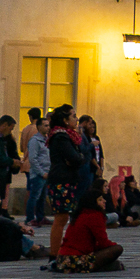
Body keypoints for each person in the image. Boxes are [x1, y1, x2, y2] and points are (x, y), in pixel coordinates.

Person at [52, 188, 125, 273]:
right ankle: (96, 267)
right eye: (100, 200)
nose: (104, 201)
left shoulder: (81, 214)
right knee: (117, 249)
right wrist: (113, 245)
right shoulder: (94, 215)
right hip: (75, 259)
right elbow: (103, 242)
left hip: (62, 259)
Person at [45, 109, 86, 256]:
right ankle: (54, 254)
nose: (76, 119)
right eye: (74, 116)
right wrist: (79, 158)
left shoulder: (67, 136)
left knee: (64, 217)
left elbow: (76, 158)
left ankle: (60, 251)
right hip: (61, 180)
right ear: (65, 120)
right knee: (61, 218)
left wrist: (78, 158)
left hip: (67, 179)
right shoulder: (61, 137)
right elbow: (75, 158)